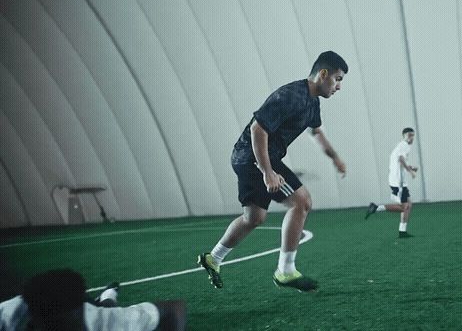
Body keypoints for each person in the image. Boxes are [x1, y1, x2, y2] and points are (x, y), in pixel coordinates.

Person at [198, 51, 348, 292]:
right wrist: (267, 171)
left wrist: (335, 158)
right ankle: (285, 271)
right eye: (338, 79)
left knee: (254, 218)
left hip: (253, 158)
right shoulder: (291, 95)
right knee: (302, 202)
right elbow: (258, 129)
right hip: (253, 157)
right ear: (323, 74)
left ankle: (213, 258)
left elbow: (317, 133)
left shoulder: (312, 102)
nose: (339, 86)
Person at [0, 269, 186, 331]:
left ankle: (108, 295)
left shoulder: (99, 321)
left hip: (92, 306)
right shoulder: (8, 316)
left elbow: (174, 308)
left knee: (104, 306)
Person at [365, 127, 418, 238]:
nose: (411, 137)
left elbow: (400, 162)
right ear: (404, 136)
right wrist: (410, 172)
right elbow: (401, 160)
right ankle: (376, 208)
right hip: (398, 183)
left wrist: (411, 167)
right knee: (404, 207)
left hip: (401, 182)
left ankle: (402, 231)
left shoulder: (403, 147)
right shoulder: (403, 145)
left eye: (413, 135)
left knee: (409, 205)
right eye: (409, 135)